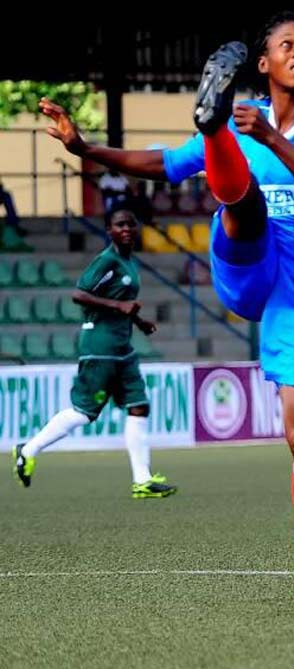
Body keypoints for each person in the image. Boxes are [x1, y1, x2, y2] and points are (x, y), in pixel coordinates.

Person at [41, 11, 294, 616]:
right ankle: (209, 131)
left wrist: (271, 140)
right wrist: (84, 148)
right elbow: (162, 164)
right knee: (247, 207)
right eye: (288, 45)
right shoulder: (246, 123)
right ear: (263, 64)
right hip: (246, 257)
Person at [12, 207, 175, 498]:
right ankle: (28, 449)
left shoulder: (128, 261)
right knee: (84, 413)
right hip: (100, 348)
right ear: (109, 231)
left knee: (139, 406)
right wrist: (119, 307)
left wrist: (138, 321)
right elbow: (79, 294)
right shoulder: (107, 260)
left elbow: (121, 301)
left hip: (122, 349)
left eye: (130, 224)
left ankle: (142, 480)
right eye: (119, 225)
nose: (126, 229)